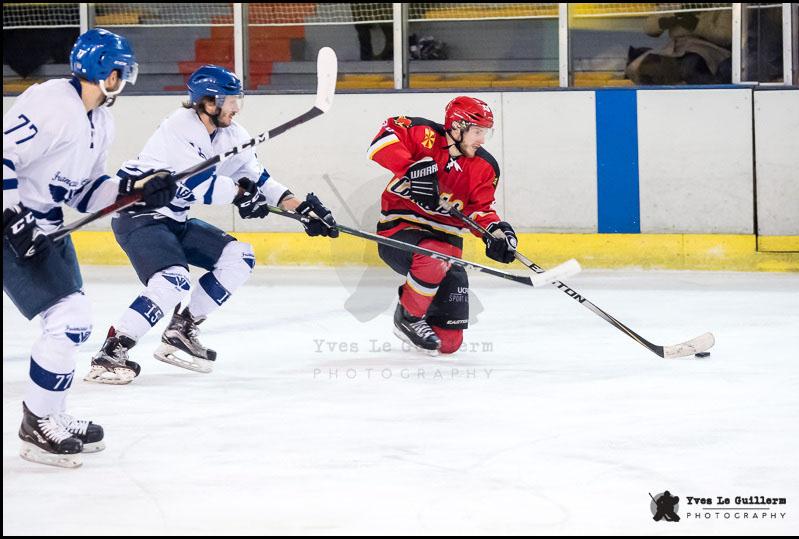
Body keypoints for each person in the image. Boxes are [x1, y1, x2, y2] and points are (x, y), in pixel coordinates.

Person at [85, 64, 338, 384]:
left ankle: (182, 328)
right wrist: (241, 195)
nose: (236, 107)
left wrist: (301, 208)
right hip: (139, 214)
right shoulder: (179, 127)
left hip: (175, 219)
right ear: (206, 102)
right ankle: (113, 351)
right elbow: (199, 184)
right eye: (229, 101)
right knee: (173, 280)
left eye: (237, 100)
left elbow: (261, 180)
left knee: (239, 257)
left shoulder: (234, 134)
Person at [3, 28, 175, 467]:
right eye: (120, 71)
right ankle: (37, 423)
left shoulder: (101, 120)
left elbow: (84, 192)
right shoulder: (52, 103)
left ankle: (50, 412)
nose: (123, 79)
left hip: (46, 224)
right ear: (105, 72)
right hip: (14, 223)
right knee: (68, 320)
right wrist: (11, 217)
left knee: (72, 322)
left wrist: (136, 191)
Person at [367, 96, 517, 355]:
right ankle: (408, 316)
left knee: (448, 343)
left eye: (486, 133)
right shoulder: (423, 134)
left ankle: (423, 297)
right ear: (457, 126)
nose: (482, 140)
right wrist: (411, 169)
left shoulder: (485, 167)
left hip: (447, 245)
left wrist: (496, 232)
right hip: (400, 230)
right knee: (434, 254)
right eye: (478, 132)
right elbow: (380, 143)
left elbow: (481, 210)